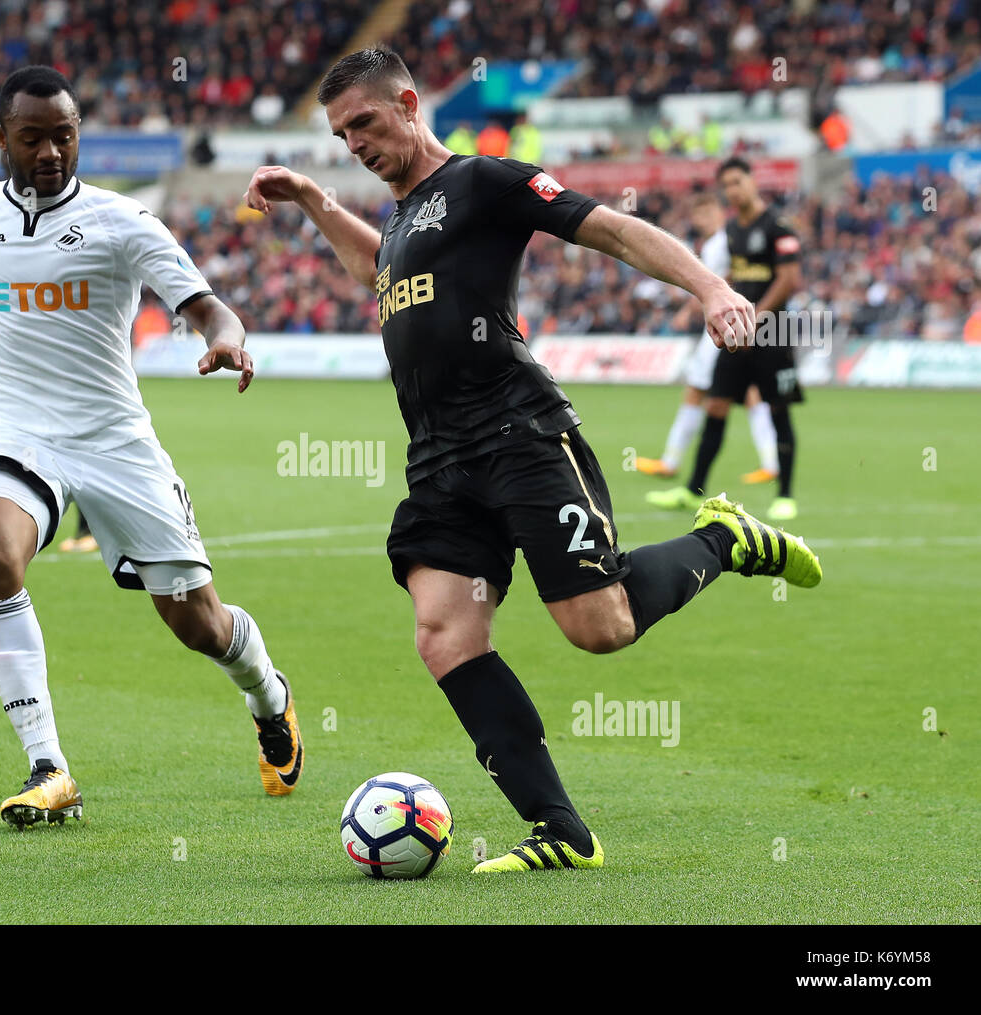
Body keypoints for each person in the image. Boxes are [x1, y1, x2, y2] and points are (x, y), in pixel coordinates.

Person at [244, 48, 822, 876]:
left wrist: (710, 288)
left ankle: (723, 540)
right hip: (438, 458)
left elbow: (611, 227)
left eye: (364, 124)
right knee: (443, 634)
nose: (354, 144)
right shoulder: (404, 217)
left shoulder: (483, 183)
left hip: (519, 433)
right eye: (340, 135)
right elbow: (378, 270)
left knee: (601, 627)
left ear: (409, 103)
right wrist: (312, 200)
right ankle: (561, 828)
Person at [0, 66, 303, 829]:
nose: (50, 152)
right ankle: (49, 767)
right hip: (16, 433)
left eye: (64, 136)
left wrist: (228, 340)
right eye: (32, 137)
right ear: (1, 138)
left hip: (115, 442)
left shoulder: (121, 221)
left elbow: (205, 306)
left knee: (198, 623)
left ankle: (270, 694)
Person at [647, 157, 804, 521]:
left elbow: (788, 280)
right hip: (739, 333)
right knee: (715, 406)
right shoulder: (732, 230)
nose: (733, 190)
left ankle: (786, 495)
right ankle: (691, 489)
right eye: (727, 185)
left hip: (773, 333)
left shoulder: (780, 228)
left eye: (738, 182)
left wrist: (757, 316)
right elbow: (734, 273)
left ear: (752, 181)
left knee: (778, 409)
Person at [634, 190, 778, 483]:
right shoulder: (723, 241)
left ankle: (672, 461)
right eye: (696, 216)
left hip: (723, 329)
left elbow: (717, 284)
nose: (699, 221)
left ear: (716, 212)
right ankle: (771, 462)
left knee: (702, 392)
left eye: (704, 214)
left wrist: (688, 310)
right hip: (732, 326)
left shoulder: (721, 242)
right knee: (748, 393)